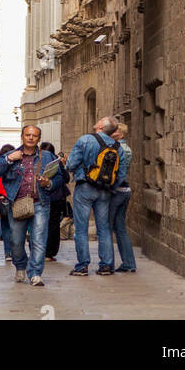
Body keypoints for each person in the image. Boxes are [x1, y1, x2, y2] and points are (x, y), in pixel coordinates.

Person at [0, 124, 53, 286]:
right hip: (17, 203)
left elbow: (60, 178)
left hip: (40, 202)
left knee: (39, 240)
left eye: (34, 136)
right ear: (22, 136)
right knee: (16, 241)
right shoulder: (12, 155)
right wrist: (8, 159)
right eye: (28, 135)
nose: (31, 138)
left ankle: (35, 274)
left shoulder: (47, 156)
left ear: (39, 138)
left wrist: (49, 183)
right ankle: (20, 266)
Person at [66, 115, 119, 276]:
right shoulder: (117, 146)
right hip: (105, 190)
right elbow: (120, 172)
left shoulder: (85, 140)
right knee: (103, 229)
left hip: (85, 187)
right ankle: (106, 265)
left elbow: (70, 165)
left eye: (101, 119)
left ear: (101, 126)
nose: (97, 119)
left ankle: (82, 266)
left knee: (81, 229)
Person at [111, 122, 137, 273]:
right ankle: (129, 263)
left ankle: (108, 263)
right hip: (124, 191)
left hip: (118, 191)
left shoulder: (120, 149)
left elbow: (119, 174)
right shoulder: (124, 149)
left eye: (114, 132)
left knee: (108, 228)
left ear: (120, 134)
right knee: (120, 228)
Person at [40, 141, 69, 261]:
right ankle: (49, 252)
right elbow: (66, 178)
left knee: (41, 224)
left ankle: (40, 251)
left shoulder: (38, 161)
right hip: (57, 198)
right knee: (53, 225)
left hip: (46, 197)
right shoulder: (57, 163)